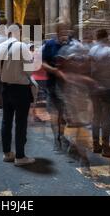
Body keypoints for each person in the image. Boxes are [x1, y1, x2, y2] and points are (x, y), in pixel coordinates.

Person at [0, 24, 35, 166]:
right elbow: (30, 71)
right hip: (20, 90)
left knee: (6, 121)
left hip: (5, 88)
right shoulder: (22, 47)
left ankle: (7, 153)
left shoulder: (0, 48)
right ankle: (20, 156)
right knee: (20, 122)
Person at [89, 29, 110, 157]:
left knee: (96, 117)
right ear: (107, 37)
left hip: (95, 87)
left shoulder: (92, 50)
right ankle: (106, 147)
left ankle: (96, 145)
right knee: (107, 119)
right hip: (109, 87)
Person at [41, 23, 72, 153]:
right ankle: (56, 139)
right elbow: (42, 63)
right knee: (55, 114)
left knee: (63, 115)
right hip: (53, 85)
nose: (65, 32)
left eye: (67, 29)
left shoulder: (70, 45)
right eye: (63, 29)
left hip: (67, 86)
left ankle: (62, 135)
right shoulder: (50, 45)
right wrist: (54, 70)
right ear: (58, 31)